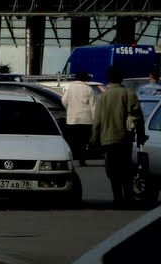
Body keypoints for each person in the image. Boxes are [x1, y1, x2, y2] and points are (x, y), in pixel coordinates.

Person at [92, 65, 147, 207]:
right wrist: (141, 135)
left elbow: (97, 121)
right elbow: (138, 117)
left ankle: (117, 198)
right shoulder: (129, 93)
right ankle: (128, 197)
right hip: (125, 139)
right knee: (126, 168)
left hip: (108, 139)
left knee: (113, 170)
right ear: (121, 78)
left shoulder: (103, 96)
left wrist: (94, 139)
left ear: (109, 79)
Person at [61, 71, 95, 166]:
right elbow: (93, 106)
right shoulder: (89, 89)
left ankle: (74, 158)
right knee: (84, 141)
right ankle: (82, 160)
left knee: (73, 141)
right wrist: (94, 119)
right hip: (86, 119)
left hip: (72, 119)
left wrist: (69, 109)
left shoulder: (71, 88)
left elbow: (64, 100)